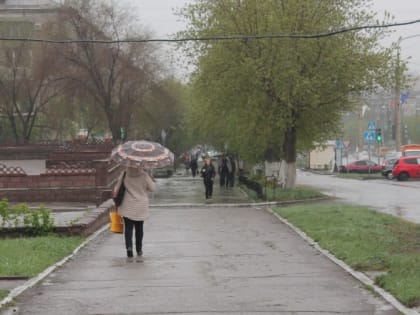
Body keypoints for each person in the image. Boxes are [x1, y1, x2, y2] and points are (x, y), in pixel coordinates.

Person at [114, 166, 156, 262]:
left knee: (128, 228)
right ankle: (139, 249)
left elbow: (117, 188)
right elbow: (153, 188)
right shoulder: (144, 175)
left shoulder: (124, 174)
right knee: (139, 228)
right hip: (140, 205)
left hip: (127, 204)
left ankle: (129, 248)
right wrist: (151, 179)